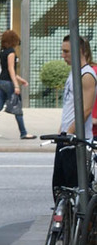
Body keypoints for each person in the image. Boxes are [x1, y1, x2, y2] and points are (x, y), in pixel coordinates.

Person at [53, 35, 97, 199]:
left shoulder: (86, 75)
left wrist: (69, 133)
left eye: (66, 52)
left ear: (80, 51)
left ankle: (83, 222)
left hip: (76, 140)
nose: (63, 55)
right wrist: (61, 131)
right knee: (59, 187)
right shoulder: (74, 73)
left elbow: (85, 110)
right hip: (66, 137)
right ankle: (66, 221)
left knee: (74, 189)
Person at [0, 30, 35, 140]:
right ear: (13, 40)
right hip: (8, 83)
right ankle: (23, 133)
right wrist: (16, 85)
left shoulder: (2, 51)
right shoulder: (11, 52)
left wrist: (21, 79)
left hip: (1, 81)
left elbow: (6, 69)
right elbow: (10, 69)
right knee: (17, 107)